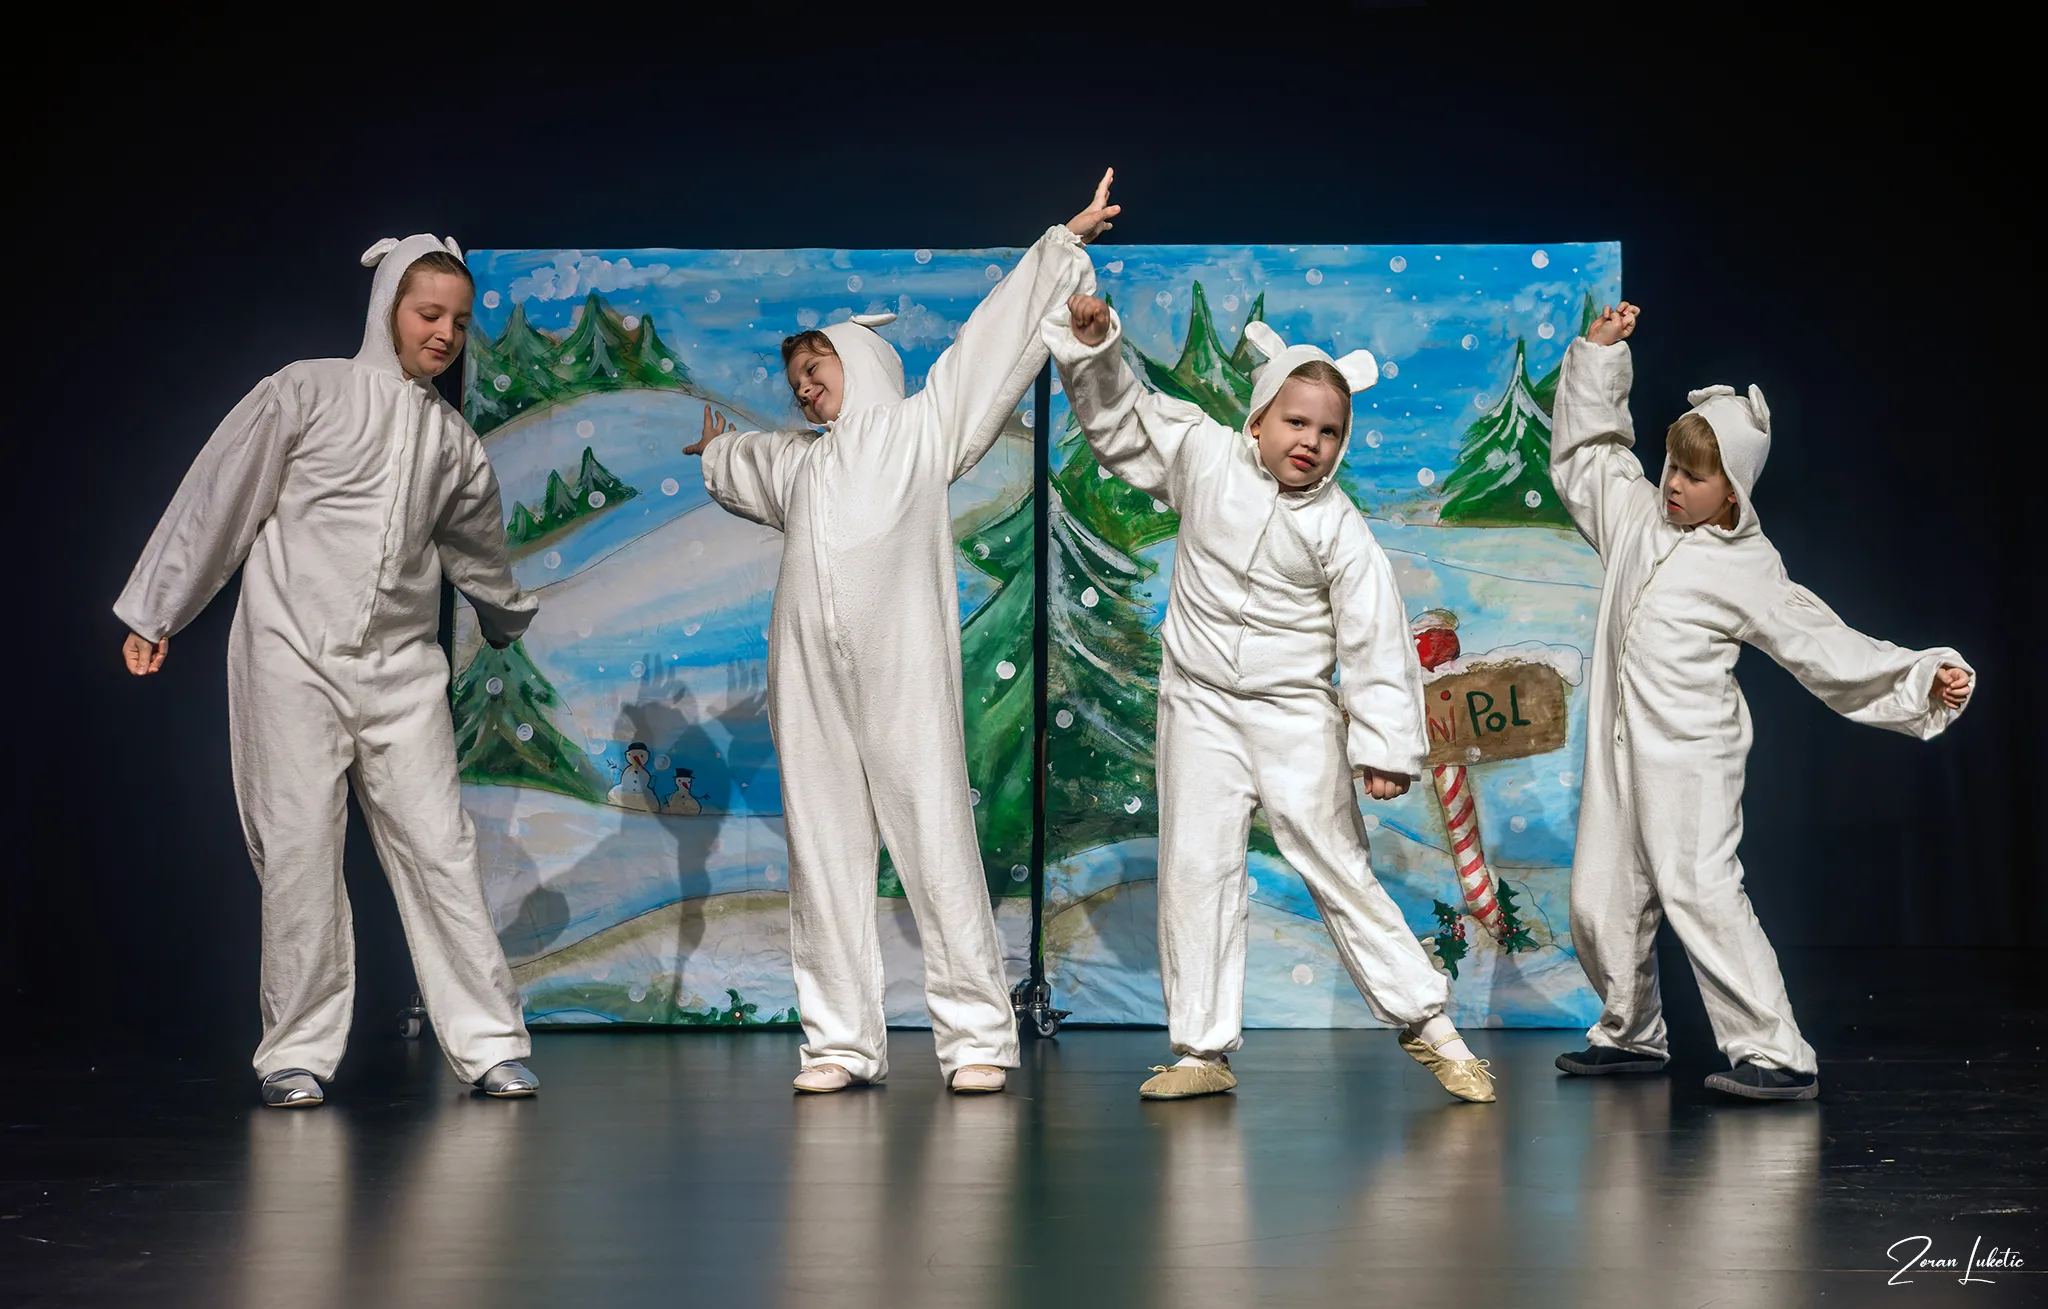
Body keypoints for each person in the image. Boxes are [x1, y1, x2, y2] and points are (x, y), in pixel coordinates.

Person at [683, 173, 1119, 1095]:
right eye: (796, 383)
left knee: (933, 835)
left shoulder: (922, 432)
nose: (805, 390)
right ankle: (840, 1039)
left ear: (860, 358)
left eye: (818, 370)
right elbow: (747, 462)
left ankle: (976, 1037)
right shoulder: (799, 466)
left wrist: (1059, 247)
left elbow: (988, 349)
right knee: (823, 848)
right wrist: (716, 452)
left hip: (902, 669)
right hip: (809, 678)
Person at [116, 234, 542, 1107]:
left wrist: (503, 616)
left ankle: (491, 1043)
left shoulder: (452, 441)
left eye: (460, 321)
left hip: (401, 672)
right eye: (429, 313)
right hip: (292, 657)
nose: (445, 333)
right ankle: (297, 1053)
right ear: (389, 306)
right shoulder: (306, 391)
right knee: (301, 847)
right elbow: (220, 499)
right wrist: (156, 609)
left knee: (441, 847)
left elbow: (478, 549)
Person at [1044, 294, 1495, 1104]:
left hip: (1293, 712)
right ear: (1257, 420)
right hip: (1200, 706)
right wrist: (1095, 346)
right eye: (1295, 422)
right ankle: (1201, 1048)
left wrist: (1384, 746)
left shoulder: (1340, 529)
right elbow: (1124, 421)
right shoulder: (1203, 457)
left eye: (1328, 432)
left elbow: (1375, 639)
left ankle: (1431, 1026)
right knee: (1197, 867)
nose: (1310, 441)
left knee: (1338, 864)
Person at [1549, 301, 1974, 1101]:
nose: (1674, 484)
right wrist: (1599, 359)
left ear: (1734, 489)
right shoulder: (1636, 516)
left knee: (1699, 891)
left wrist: (1922, 675)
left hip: (1691, 756)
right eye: (1672, 467)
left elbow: (1824, 644)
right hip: (1618, 743)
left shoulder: (1748, 566)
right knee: (1601, 896)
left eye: (1695, 476)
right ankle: (1630, 1031)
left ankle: (1777, 1051)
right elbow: (1589, 456)